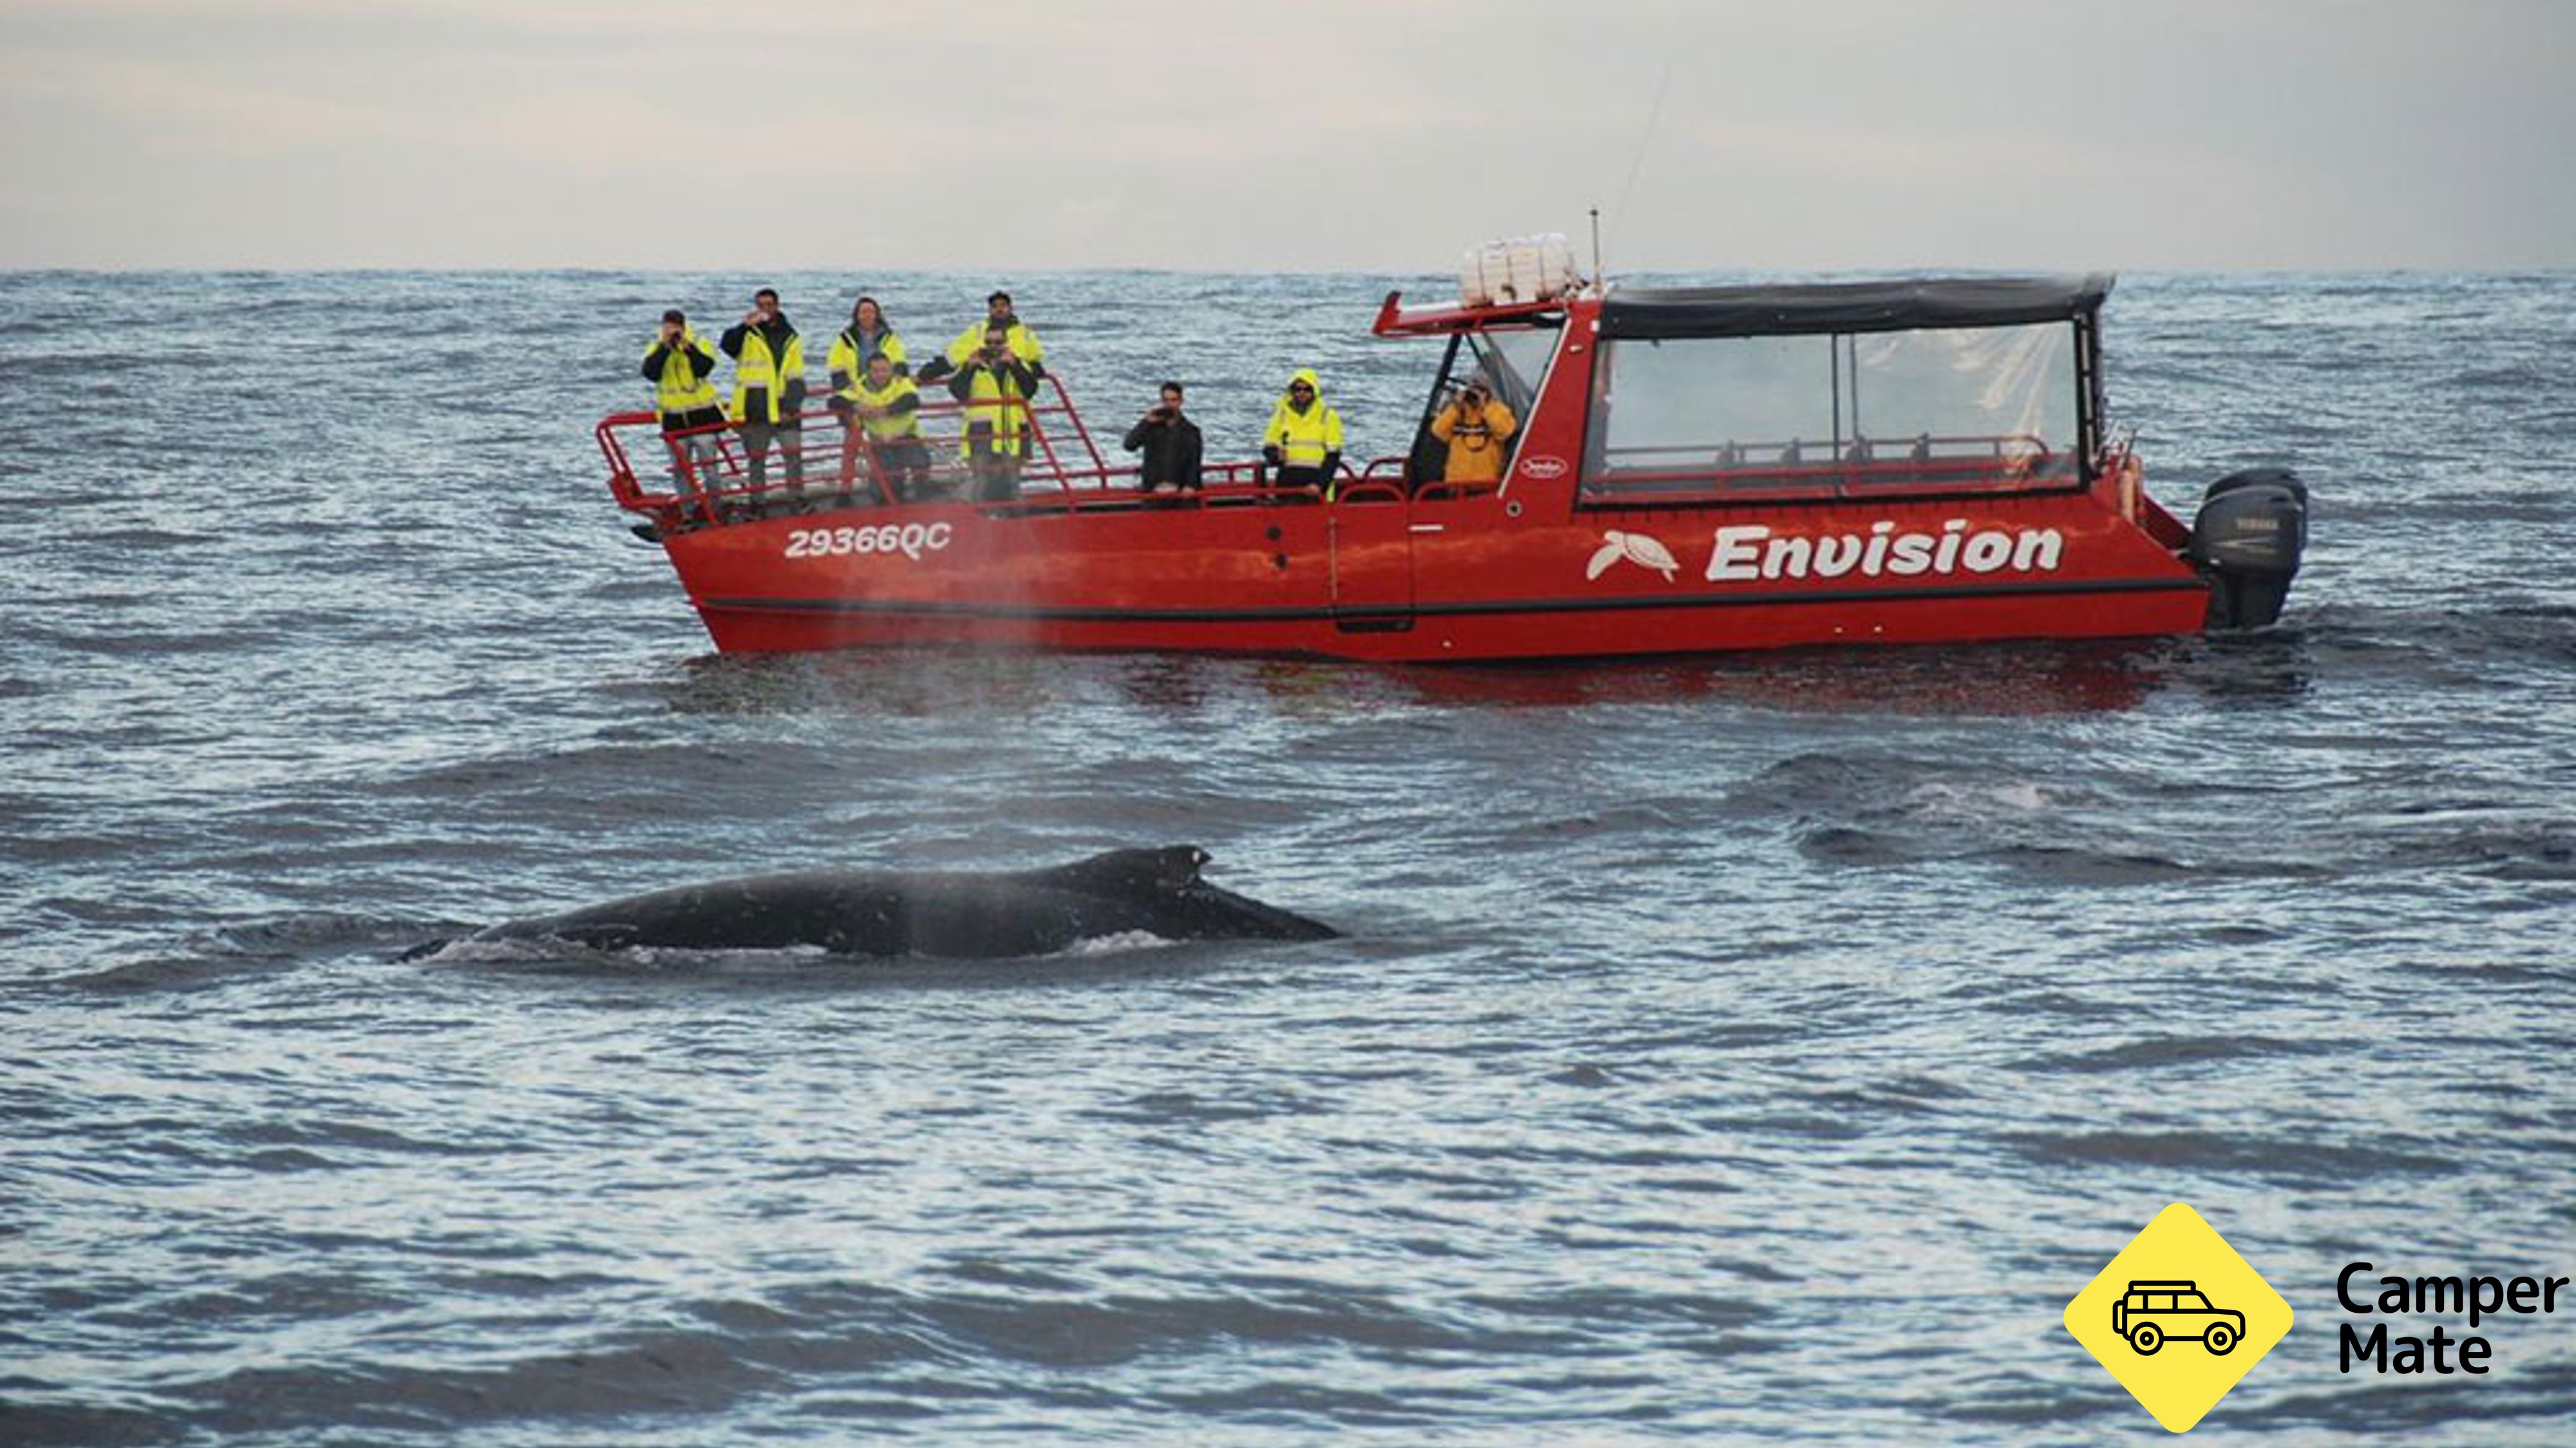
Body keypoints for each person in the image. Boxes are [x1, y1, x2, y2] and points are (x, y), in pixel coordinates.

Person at [719, 287, 806, 505]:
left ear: (777, 307)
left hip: (784, 406)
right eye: (761, 306)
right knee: (757, 460)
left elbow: (796, 376)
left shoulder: (792, 336)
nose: (765, 310)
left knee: (793, 455)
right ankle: (757, 503)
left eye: (769, 305)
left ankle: (797, 500)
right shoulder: (746, 334)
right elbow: (727, 346)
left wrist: (791, 408)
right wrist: (743, 326)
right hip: (756, 407)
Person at [640, 309, 726, 511]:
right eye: (668, 326)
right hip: (674, 419)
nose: (672, 331)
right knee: (681, 471)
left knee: (710, 469)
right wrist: (665, 348)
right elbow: (651, 373)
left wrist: (687, 348)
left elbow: (704, 368)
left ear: (684, 326)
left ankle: (716, 507)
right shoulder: (656, 347)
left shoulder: (698, 342)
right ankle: (688, 511)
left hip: (702, 416)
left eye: (676, 327)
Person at [947, 322, 1041, 500]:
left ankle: (1016, 520)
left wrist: (1014, 365)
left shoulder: (1019, 364)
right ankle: (981, 521)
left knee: (1012, 482)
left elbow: (1030, 390)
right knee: (981, 481)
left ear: (1006, 344)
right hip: (982, 430)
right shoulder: (972, 366)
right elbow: (958, 392)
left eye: (998, 343)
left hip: (1013, 431)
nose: (993, 348)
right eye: (989, 343)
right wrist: (969, 368)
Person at [844, 352, 933, 501]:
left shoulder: (901, 383)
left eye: (884, 370)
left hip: (906, 436)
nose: (881, 375)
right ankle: (888, 506)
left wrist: (886, 410)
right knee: (885, 481)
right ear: (869, 372)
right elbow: (835, 401)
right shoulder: (858, 387)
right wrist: (855, 406)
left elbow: (912, 400)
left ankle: (923, 503)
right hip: (879, 441)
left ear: (891, 370)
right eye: (876, 371)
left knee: (921, 464)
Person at [920, 290, 1045, 385]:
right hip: (985, 392)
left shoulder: (1026, 334)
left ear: (1011, 308)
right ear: (989, 310)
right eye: (994, 306)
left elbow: (1036, 367)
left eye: (1003, 305)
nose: (999, 309)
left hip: (1014, 395)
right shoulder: (977, 331)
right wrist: (925, 375)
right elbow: (952, 357)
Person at [1261, 368, 1343, 497]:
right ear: (1292, 391)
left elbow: (1333, 458)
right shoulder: (1282, 415)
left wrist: (1320, 485)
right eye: (1297, 389)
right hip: (1287, 484)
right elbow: (1268, 446)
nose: (1302, 393)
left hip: (1315, 486)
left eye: (1307, 389)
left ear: (1314, 391)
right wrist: (1275, 455)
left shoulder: (1328, 416)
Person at [1428, 378, 1518, 490]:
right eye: (1471, 391)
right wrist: (1455, 408)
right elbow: (1438, 432)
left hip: (1486, 482)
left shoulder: (1498, 410)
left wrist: (1485, 408)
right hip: (1457, 482)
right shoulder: (1457, 411)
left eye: (1480, 391)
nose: (1474, 396)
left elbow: (1505, 432)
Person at [1121, 381, 1203, 493]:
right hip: (1153, 491)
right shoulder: (1151, 428)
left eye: (1174, 400)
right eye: (1166, 400)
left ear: (1181, 401)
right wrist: (1145, 422)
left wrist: (1190, 485)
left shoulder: (1191, 431)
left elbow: (1194, 463)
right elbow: (1129, 445)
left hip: (1180, 493)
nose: (1170, 404)